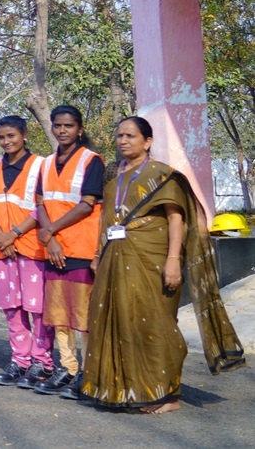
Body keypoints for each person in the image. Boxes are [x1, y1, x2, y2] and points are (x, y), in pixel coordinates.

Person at [80, 116, 246, 413]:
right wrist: (97, 254)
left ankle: (168, 395)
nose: (123, 141)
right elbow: (107, 219)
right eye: (119, 135)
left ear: (148, 141)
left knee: (157, 323)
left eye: (130, 135)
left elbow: (175, 219)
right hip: (115, 257)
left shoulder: (162, 175)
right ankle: (130, 390)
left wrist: (172, 260)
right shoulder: (111, 176)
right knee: (121, 323)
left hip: (153, 258)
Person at [32, 105, 104, 398]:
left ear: (80, 129)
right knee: (59, 314)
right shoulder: (46, 163)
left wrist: (50, 231)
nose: (63, 130)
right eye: (58, 125)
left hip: (81, 247)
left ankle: (88, 372)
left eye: (69, 126)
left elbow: (87, 204)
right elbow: (41, 204)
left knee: (82, 316)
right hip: (54, 249)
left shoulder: (92, 160)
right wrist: (50, 240)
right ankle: (68, 368)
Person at [0, 116, 52, 388]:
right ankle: (20, 360)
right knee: (12, 308)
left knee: (38, 308)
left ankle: (42, 362)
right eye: (1, 137)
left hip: (32, 246)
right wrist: (1, 235)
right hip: (3, 249)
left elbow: (42, 207)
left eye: (11, 135)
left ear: (24, 135)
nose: (7, 141)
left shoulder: (40, 165)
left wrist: (15, 233)